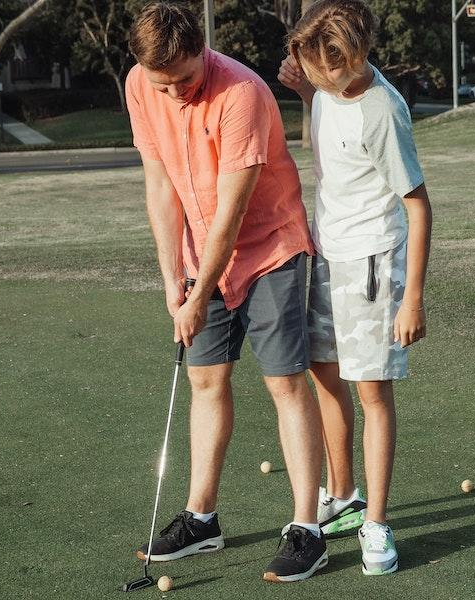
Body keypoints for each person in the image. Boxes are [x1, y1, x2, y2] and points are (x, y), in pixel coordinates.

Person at [125, 2, 328, 583]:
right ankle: (201, 518)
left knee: (285, 380)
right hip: (200, 257)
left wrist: (196, 294)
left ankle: (306, 528)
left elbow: (233, 213)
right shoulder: (144, 84)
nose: (175, 94)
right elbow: (160, 184)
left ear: (203, 52)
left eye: (185, 80)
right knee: (205, 379)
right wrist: (172, 282)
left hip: (270, 247)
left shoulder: (241, 91)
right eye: (163, 85)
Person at [278, 0, 433, 576]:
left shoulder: (383, 112)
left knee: (371, 391)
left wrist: (412, 298)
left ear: (353, 57)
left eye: (321, 68)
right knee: (323, 373)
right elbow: (329, 145)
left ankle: (376, 524)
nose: (311, 75)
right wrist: (304, 93)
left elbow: (419, 209)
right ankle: (342, 499)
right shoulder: (324, 89)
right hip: (326, 252)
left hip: (372, 262)